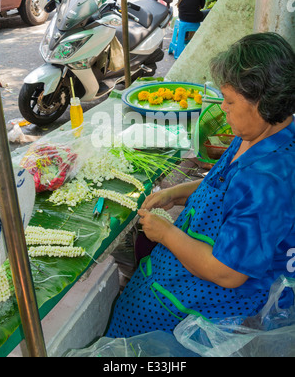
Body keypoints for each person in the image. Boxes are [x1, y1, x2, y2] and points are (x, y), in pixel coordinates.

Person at [105, 32, 295, 338]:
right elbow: (224, 185)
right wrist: (177, 192)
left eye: (230, 101)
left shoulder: (266, 183)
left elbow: (227, 272)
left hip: (209, 306)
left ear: (262, 103)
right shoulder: (261, 133)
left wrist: (166, 234)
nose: (224, 107)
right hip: (177, 280)